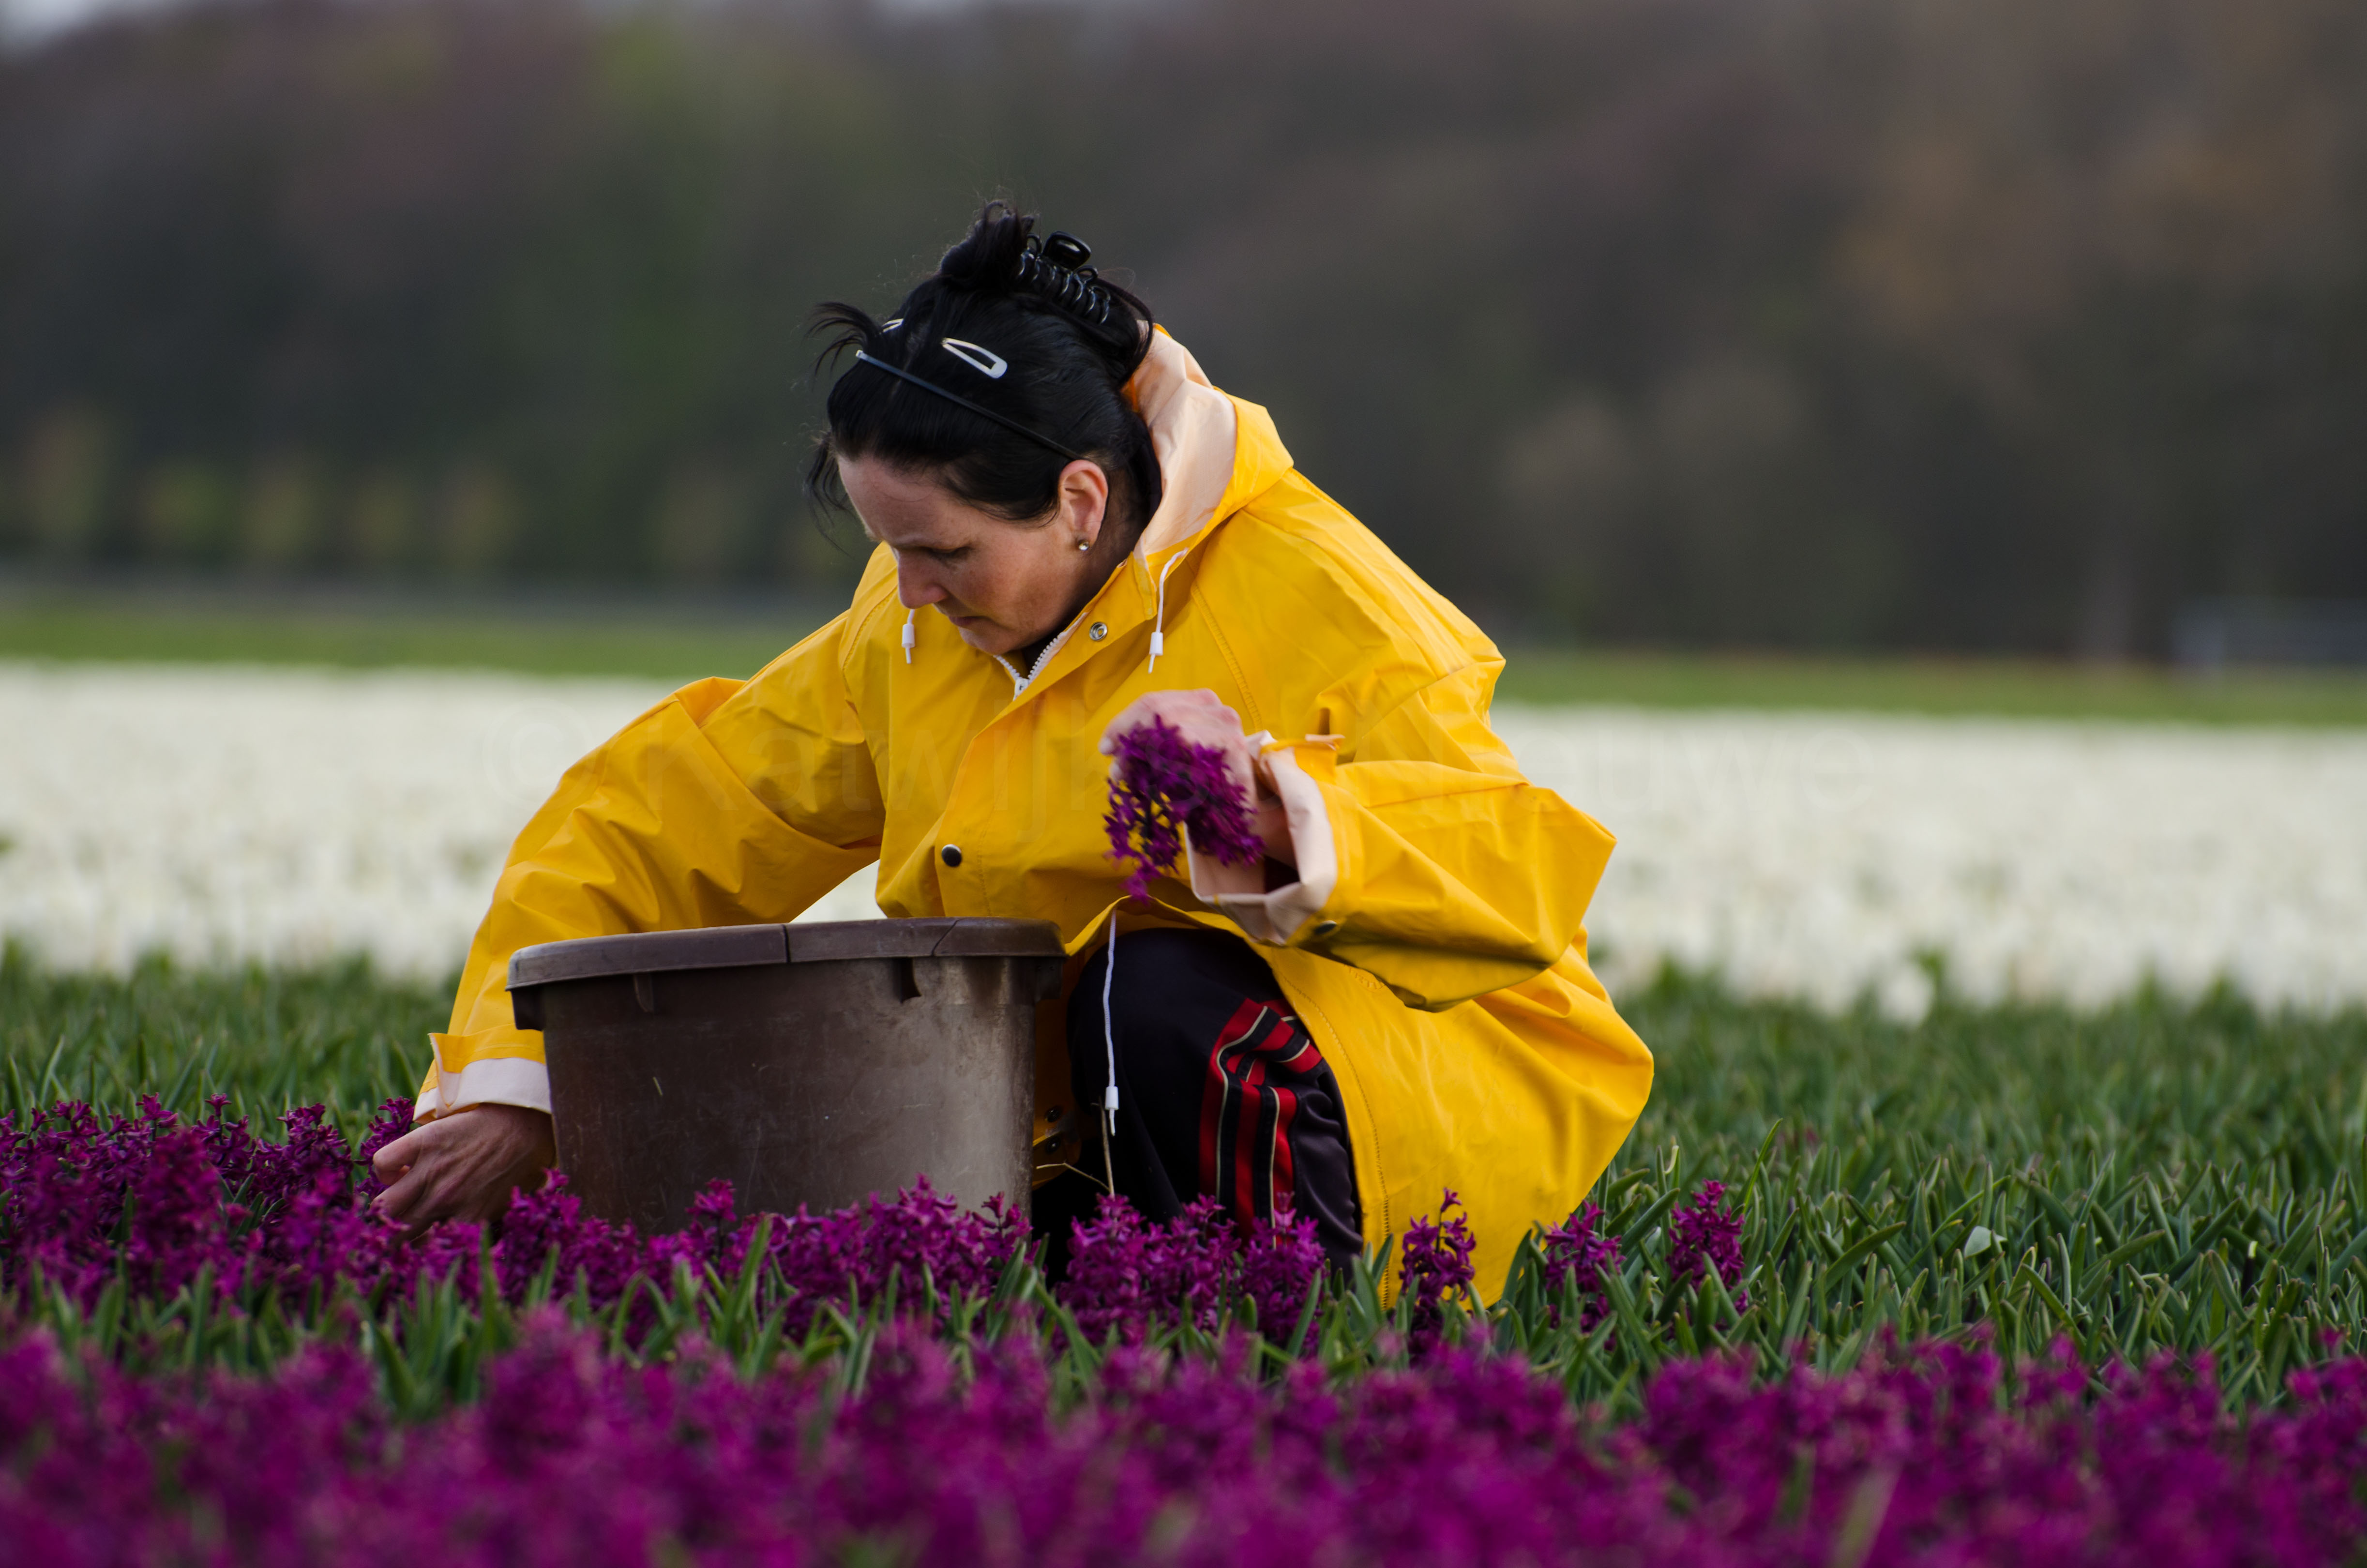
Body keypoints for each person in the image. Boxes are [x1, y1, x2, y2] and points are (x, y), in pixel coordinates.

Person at [371, 203, 1653, 1298]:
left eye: (944, 552)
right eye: (889, 549)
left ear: (1080, 501)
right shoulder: (914, 631)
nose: (911, 592)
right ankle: (1120, 1285)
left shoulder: (1320, 595)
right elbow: (660, 819)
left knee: (1144, 988)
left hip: (1430, 1106)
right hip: (1098, 1106)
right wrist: (518, 1083)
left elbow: (1518, 882)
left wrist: (1286, 827)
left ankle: (1280, 1339)